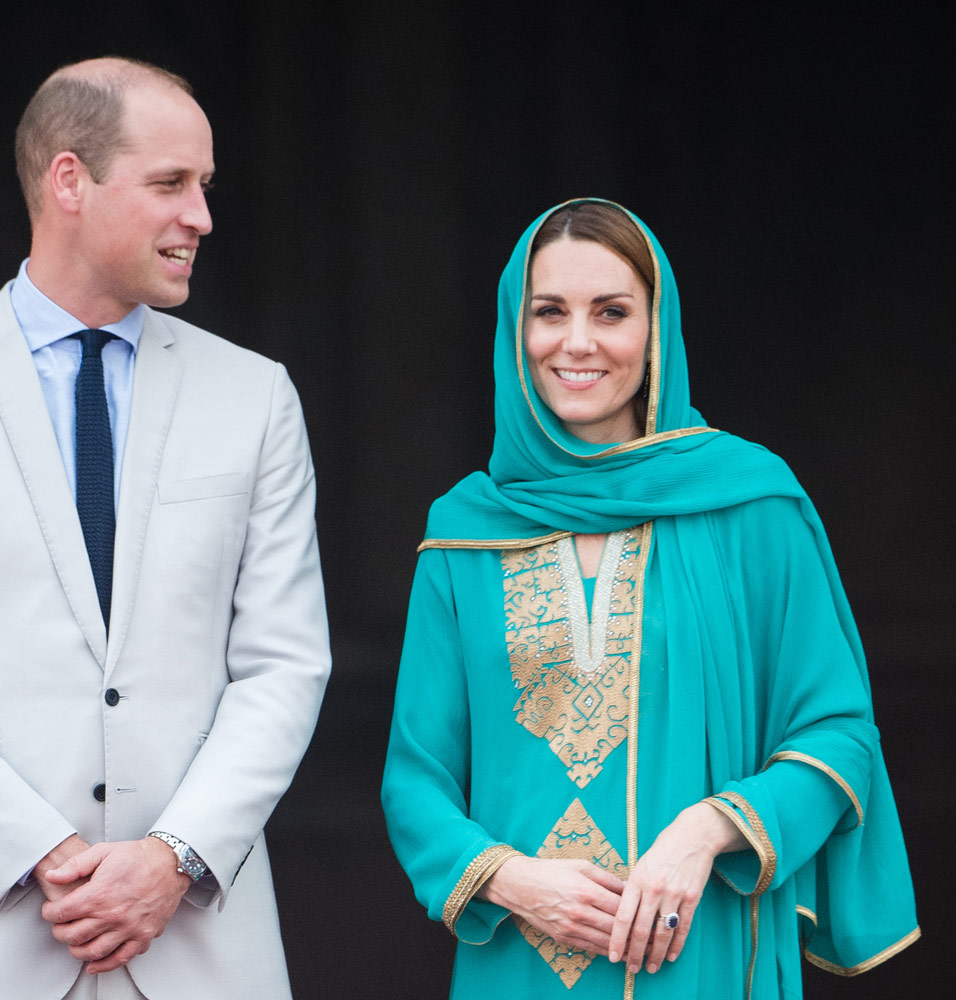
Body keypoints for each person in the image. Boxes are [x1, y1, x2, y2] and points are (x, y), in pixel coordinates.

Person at [0, 57, 330, 1000]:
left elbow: (284, 665)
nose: (203, 218)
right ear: (69, 181)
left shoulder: (257, 397)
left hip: (200, 952)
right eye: (171, 183)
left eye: (205, 187)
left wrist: (172, 859)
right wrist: (44, 853)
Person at [380, 199, 917, 997]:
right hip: (521, 965)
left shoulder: (749, 506)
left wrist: (707, 831)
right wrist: (515, 881)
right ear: (513, 329)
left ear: (656, 328)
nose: (579, 342)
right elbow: (416, 778)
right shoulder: (465, 533)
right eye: (549, 312)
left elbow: (838, 734)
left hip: (700, 951)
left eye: (612, 312)